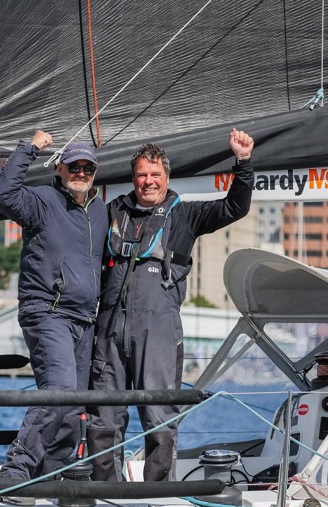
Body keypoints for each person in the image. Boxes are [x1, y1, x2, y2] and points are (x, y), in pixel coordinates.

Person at [87, 129, 255, 482]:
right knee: (104, 417)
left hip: (158, 334)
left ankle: (155, 495)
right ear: (133, 178)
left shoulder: (186, 216)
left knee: (159, 417)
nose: (148, 182)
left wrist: (243, 163)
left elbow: (234, 207)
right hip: (109, 332)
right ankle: (105, 490)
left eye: (155, 175)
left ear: (167, 177)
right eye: (141, 175)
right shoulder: (113, 211)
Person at [0, 131, 107, 483]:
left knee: (71, 409)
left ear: (96, 172)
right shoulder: (41, 200)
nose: (81, 172)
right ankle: (15, 472)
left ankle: (52, 477)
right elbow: (1, 194)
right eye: (74, 166)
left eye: (88, 167)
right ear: (60, 168)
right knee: (59, 390)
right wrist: (29, 149)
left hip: (84, 320)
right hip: (48, 311)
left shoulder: (100, 211)